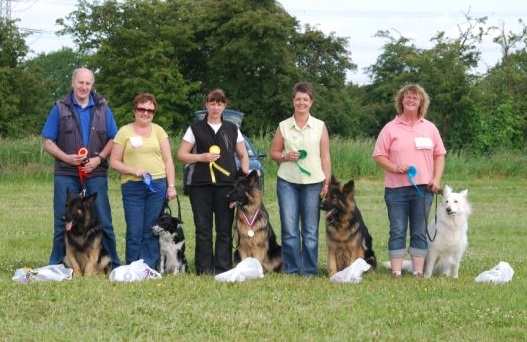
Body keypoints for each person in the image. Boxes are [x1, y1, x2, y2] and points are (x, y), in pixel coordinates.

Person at [42, 67, 121, 268]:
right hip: (66, 173)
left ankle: (114, 265)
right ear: (73, 83)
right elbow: (48, 141)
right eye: (80, 82)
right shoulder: (59, 108)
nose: (84, 87)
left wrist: (99, 158)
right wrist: (66, 158)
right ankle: (56, 265)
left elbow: (114, 138)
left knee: (104, 220)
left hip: (95, 171)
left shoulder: (103, 108)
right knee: (63, 222)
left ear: (92, 85)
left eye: (87, 83)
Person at [372, 83, 446, 278]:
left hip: (424, 189)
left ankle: (418, 271)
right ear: (401, 101)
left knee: (420, 230)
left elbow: (439, 155)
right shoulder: (390, 128)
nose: (411, 100)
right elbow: (378, 155)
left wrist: (436, 178)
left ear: (421, 102)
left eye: (415, 97)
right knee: (397, 229)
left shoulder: (429, 128)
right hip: (396, 190)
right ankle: (396, 271)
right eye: (407, 97)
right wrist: (395, 168)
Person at [177, 89, 249, 275]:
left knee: (224, 229)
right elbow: (181, 155)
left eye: (219, 104)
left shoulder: (233, 129)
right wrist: (201, 157)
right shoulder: (195, 128)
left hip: (226, 185)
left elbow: (243, 154)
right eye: (212, 103)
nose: (216, 107)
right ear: (206, 105)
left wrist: (244, 173)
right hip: (200, 185)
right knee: (203, 229)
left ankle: (223, 267)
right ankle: (204, 268)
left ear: (224, 105)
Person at [270, 82, 331, 276]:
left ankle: (310, 270)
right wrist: (285, 156)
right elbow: (274, 153)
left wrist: (327, 182)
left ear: (311, 102)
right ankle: (292, 269)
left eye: (305, 99)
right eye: (298, 99)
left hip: (313, 183)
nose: (301, 102)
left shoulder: (320, 126)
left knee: (311, 231)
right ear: (293, 101)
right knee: (289, 230)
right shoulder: (283, 126)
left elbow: (325, 157)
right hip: (287, 181)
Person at [110, 93, 177, 269]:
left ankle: (149, 266)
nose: (145, 113)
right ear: (135, 110)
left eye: (150, 110)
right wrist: (133, 170)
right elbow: (114, 162)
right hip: (132, 186)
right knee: (134, 230)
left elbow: (168, 160)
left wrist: (171, 186)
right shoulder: (124, 131)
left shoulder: (159, 131)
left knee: (152, 229)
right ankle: (132, 267)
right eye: (142, 109)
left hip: (157, 186)